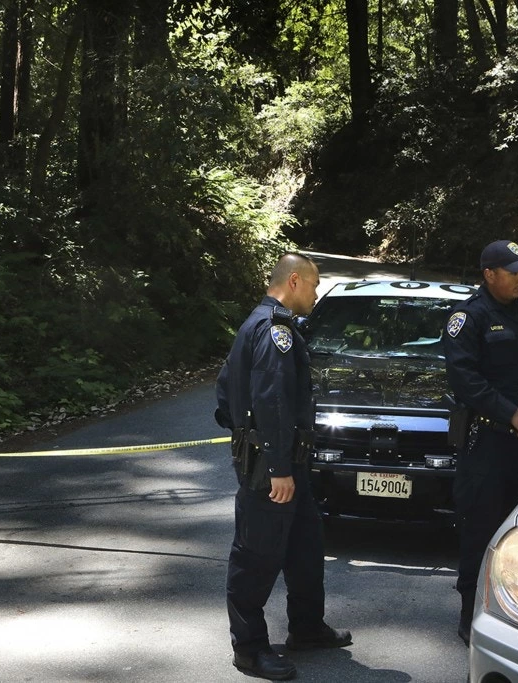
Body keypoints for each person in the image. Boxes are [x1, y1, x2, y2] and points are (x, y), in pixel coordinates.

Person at [214, 253, 351, 681]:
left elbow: (224, 392)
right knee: (256, 555)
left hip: (289, 462)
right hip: (272, 468)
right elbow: (271, 401)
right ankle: (250, 648)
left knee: (305, 547)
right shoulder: (274, 331)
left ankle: (307, 628)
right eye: (313, 284)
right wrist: (275, 466)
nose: (316, 293)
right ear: (294, 281)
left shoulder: (260, 323)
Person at [442, 240, 518, 647]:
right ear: (489, 274)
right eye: (513, 272)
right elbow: (464, 378)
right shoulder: (469, 317)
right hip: (488, 446)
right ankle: (470, 618)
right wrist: (507, 411)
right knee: (480, 534)